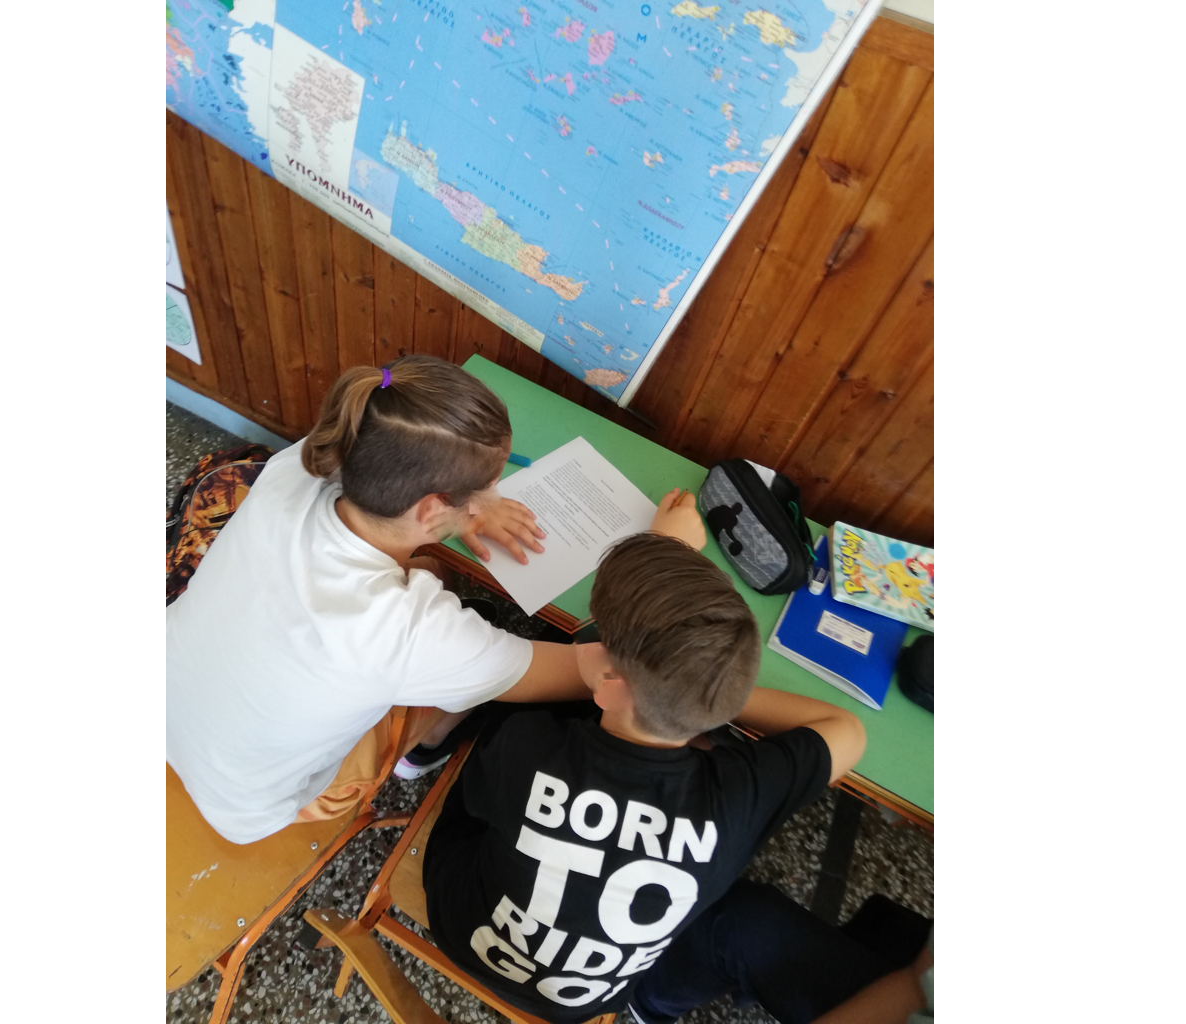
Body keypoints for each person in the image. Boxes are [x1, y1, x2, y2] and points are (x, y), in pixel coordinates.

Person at [166, 355, 702, 845]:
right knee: (461, 649)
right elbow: (593, 672)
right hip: (252, 807)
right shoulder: (406, 632)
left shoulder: (299, 468)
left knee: (432, 573)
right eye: (488, 488)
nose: (493, 498)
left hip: (182, 700)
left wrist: (461, 511)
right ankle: (427, 743)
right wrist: (665, 554)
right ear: (430, 509)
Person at [422, 530, 921, 1024]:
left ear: (610, 684)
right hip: (587, 1002)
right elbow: (848, 731)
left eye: (598, 637)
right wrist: (703, 689)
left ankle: (433, 740)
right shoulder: (741, 796)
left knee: (511, 723)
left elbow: (480, 803)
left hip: (461, 929)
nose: (590, 639)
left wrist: (652, 676)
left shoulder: (527, 741)